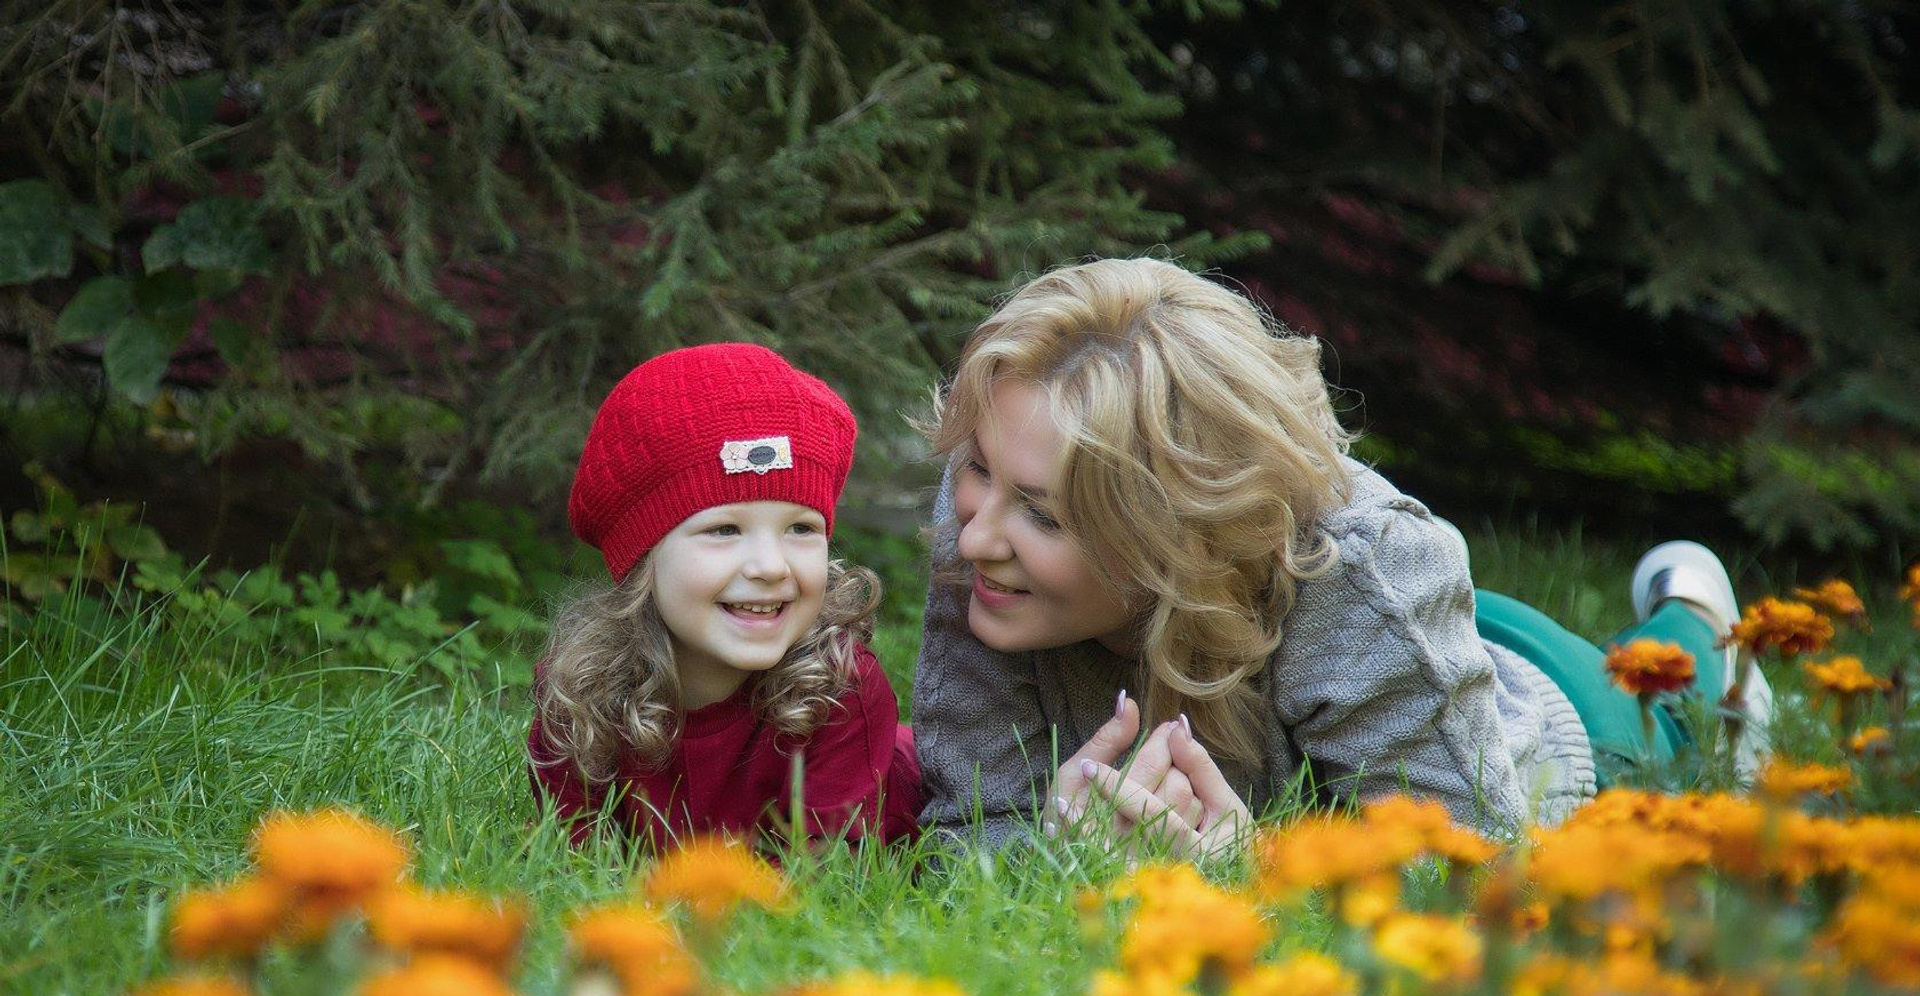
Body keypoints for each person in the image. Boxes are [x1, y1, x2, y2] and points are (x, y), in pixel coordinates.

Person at [910, 257, 1769, 858]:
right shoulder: (984, 535)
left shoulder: (1367, 573)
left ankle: (1698, 612)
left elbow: (1469, 870)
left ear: (1173, 536)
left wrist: (1256, 876)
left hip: (1555, 733)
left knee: (1684, 704)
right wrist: (1058, 852)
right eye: (978, 469)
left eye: (1045, 518)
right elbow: (974, 832)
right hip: (1399, 652)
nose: (979, 533)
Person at [529, 343, 921, 853]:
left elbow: (824, 887)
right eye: (724, 530)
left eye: (801, 528)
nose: (771, 566)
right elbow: (574, 870)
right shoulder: (581, 701)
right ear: (643, 558)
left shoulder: (839, 689)